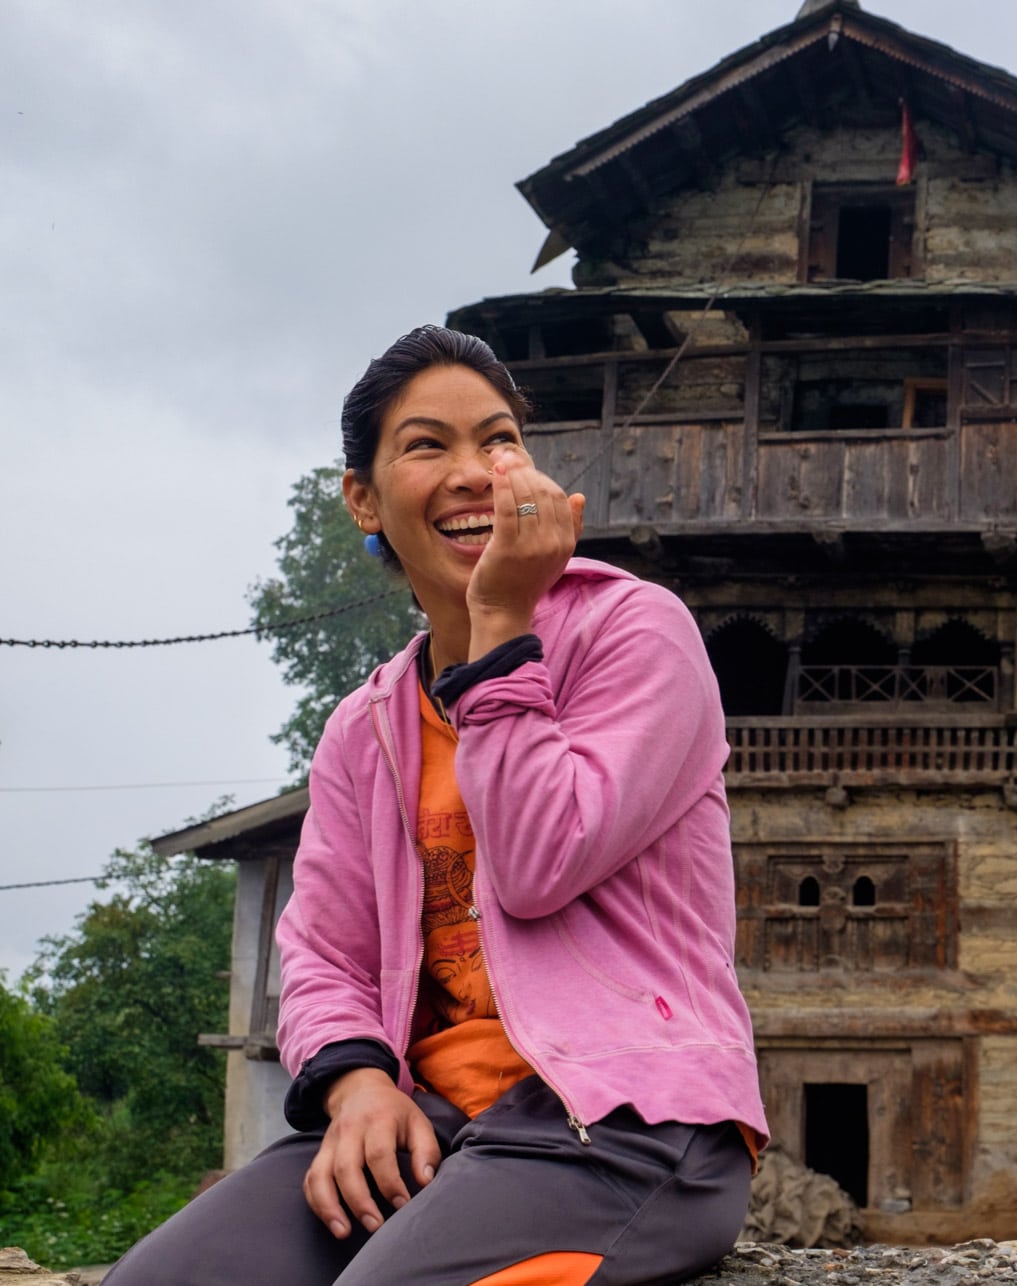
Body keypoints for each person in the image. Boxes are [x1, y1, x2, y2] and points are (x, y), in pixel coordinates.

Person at [108, 325, 766, 1286]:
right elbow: (325, 951)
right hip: (435, 1124)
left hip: (628, 1121)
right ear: (363, 500)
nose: (474, 471)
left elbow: (544, 862)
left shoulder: (636, 634)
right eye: (428, 445)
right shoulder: (364, 728)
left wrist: (500, 632)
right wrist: (359, 1085)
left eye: (498, 441)